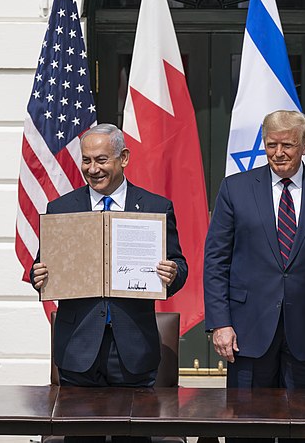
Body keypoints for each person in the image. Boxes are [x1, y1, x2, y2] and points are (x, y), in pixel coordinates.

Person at [204, 109, 305, 440]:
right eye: (271, 144)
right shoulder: (236, 189)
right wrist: (220, 323)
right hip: (248, 333)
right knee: (247, 430)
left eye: (287, 145)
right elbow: (216, 260)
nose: (278, 153)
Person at [30, 124, 186, 442]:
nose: (92, 169)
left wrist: (173, 274)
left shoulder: (155, 207)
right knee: (81, 437)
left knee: (133, 435)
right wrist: (39, 276)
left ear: (123, 158)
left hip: (133, 347)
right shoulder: (61, 209)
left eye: (101, 159)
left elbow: (179, 265)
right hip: (79, 347)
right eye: (86, 161)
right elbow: (41, 266)